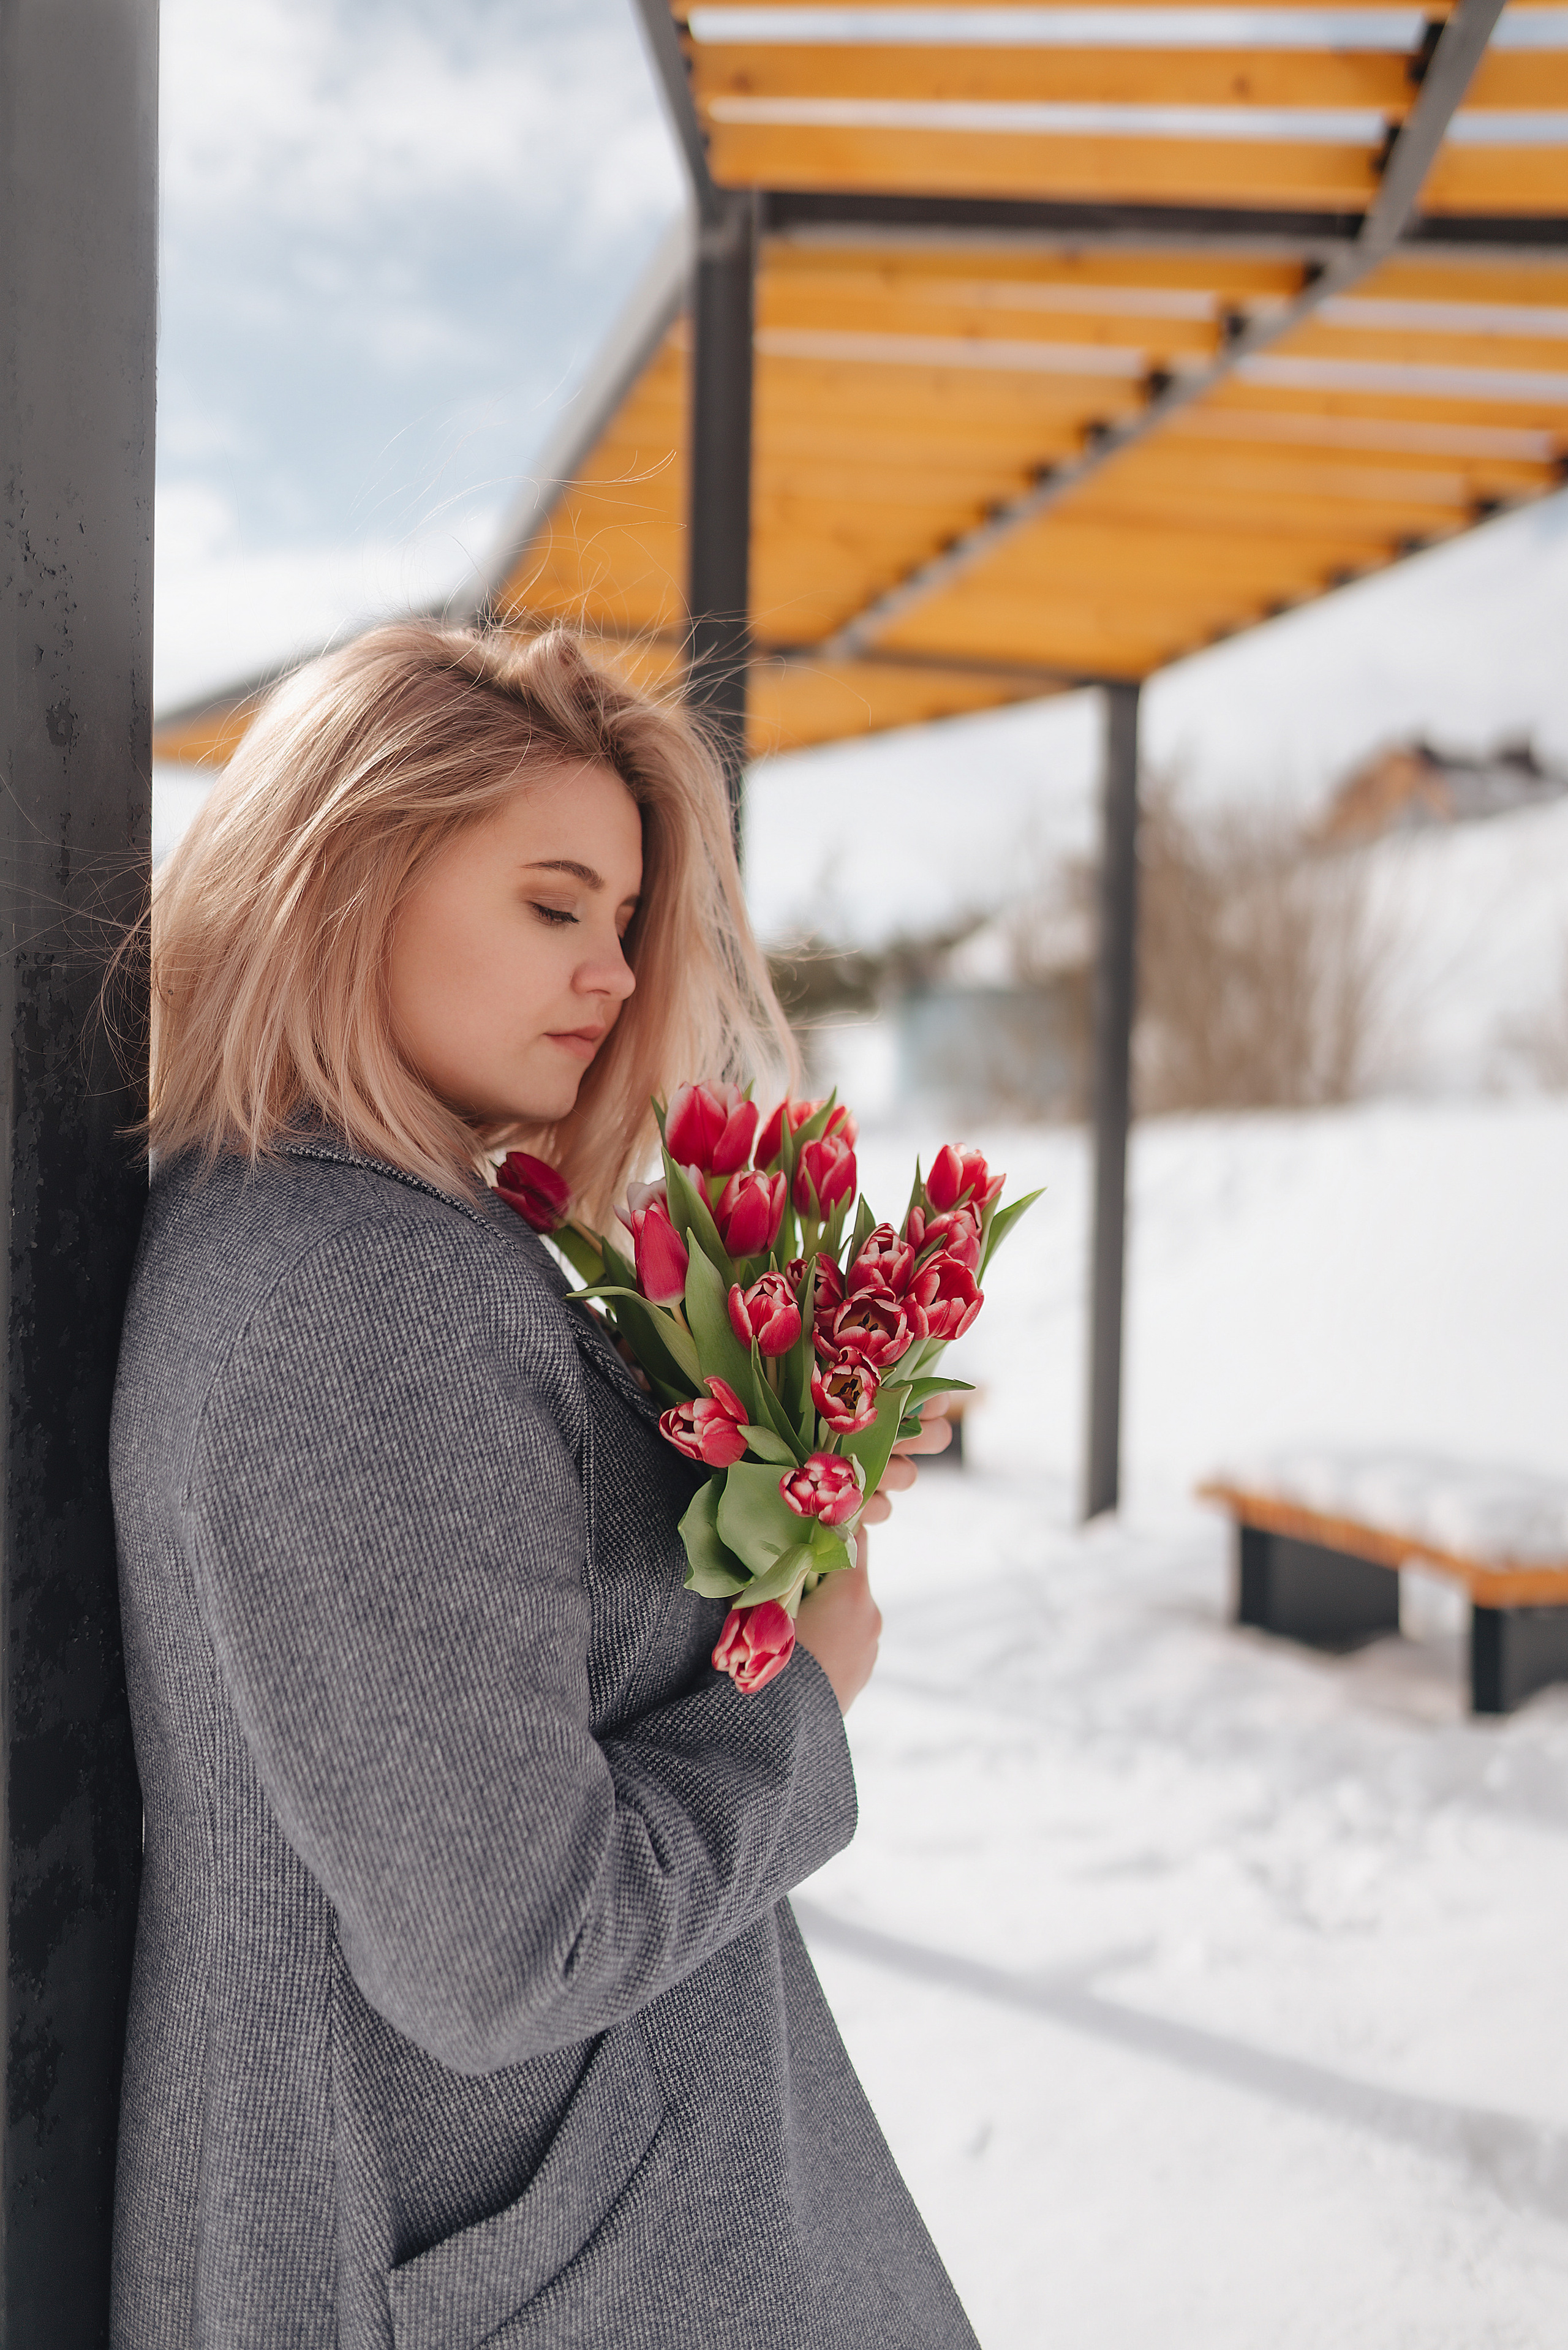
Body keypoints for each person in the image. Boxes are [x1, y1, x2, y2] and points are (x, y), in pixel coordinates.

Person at [110, 621, 979, 2349]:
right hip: (499, 2254)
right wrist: (803, 1692)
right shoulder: (367, 1296)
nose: (612, 971)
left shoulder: (313, 1228)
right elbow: (509, 1952)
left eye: (633, 921)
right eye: (554, 904)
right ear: (348, 876)